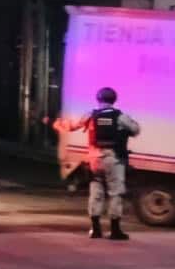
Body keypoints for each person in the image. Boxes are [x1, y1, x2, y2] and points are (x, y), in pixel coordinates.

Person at [53, 87, 140, 240]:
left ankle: (95, 229)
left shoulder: (90, 115)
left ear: (98, 99)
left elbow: (71, 126)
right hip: (113, 160)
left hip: (94, 160)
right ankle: (115, 231)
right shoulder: (120, 117)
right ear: (114, 100)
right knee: (115, 193)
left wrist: (57, 123)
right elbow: (135, 130)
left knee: (95, 193)